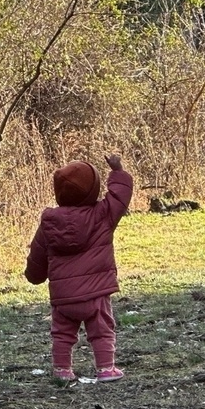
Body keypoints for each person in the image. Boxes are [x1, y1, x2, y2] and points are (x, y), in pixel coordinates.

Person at [24, 155, 133, 381]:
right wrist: (117, 171)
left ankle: (62, 371)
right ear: (92, 190)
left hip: (64, 298)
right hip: (95, 294)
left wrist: (34, 276)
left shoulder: (50, 222)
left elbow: (37, 254)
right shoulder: (102, 215)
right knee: (102, 331)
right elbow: (120, 197)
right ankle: (105, 369)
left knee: (62, 334)